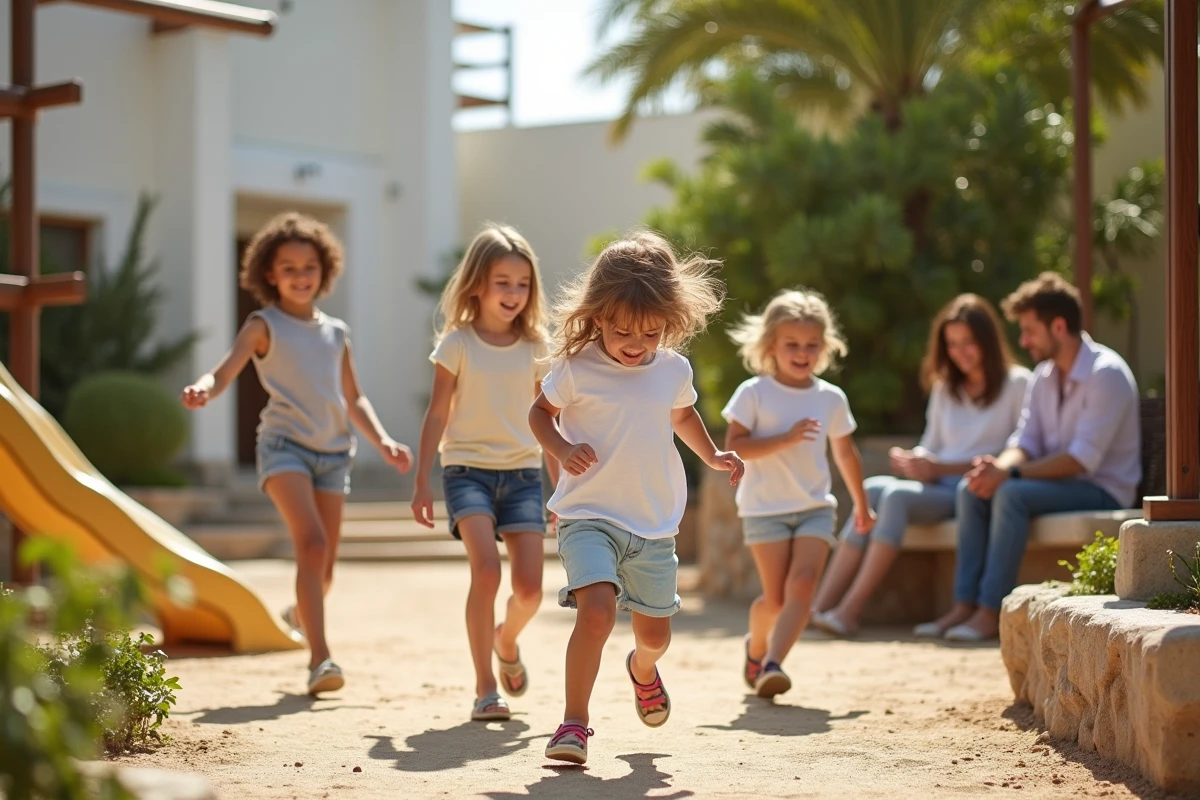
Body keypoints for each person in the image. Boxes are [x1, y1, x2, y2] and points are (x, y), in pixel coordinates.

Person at [529, 231, 744, 765]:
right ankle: (573, 725)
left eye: (650, 333)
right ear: (597, 316)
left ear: (669, 323)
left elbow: (682, 415)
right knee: (596, 612)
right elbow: (539, 414)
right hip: (587, 513)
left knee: (654, 636)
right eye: (622, 329)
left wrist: (714, 455)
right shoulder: (576, 368)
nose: (634, 342)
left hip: (652, 522)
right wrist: (561, 447)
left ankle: (642, 671)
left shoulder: (673, 369)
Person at [181, 212, 412, 694]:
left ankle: (298, 613)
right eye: (288, 268)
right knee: (310, 544)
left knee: (323, 567)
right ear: (270, 274)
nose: (300, 276)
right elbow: (223, 372)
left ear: (323, 271)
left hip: (334, 454)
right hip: (284, 446)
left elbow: (354, 399)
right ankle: (320, 659)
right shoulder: (262, 324)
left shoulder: (336, 334)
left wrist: (384, 441)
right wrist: (203, 389)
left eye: (309, 267)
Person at [918, 272, 1140, 641]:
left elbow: (1079, 461)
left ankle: (990, 611)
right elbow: (1025, 440)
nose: (1022, 341)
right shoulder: (1043, 375)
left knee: (1010, 493)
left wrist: (1011, 476)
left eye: (1029, 331)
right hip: (1057, 483)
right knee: (972, 488)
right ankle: (964, 606)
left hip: (1101, 488)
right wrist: (996, 468)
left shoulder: (1107, 374)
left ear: (1058, 326)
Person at [811, 294, 1030, 637]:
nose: (961, 352)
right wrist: (915, 460)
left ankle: (849, 611)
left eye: (969, 342)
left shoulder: (1019, 383)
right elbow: (932, 445)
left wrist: (938, 468)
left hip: (970, 491)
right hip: (937, 486)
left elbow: (1015, 451)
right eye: (952, 344)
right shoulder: (945, 387)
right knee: (870, 490)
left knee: (895, 499)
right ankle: (817, 609)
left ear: (988, 340)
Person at [410, 224, 558, 723]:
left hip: (522, 476)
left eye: (522, 283)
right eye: (502, 282)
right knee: (486, 571)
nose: (513, 293)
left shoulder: (538, 346)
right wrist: (421, 481)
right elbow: (436, 414)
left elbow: (550, 421)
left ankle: (506, 640)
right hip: (466, 471)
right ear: (477, 284)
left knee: (532, 590)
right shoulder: (456, 344)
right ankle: (484, 687)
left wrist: (561, 489)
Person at [720, 289, 873, 698]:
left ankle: (773, 664)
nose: (802, 353)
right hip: (763, 510)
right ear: (771, 344)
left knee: (802, 586)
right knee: (773, 600)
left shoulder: (830, 399)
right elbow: (736, 446)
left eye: (811, 345)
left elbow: (845, 452)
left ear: (824, 347)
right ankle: (756, 650)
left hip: (814, 508)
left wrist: (861, 503)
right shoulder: (753, 393)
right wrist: (785, 439)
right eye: (792, 344)